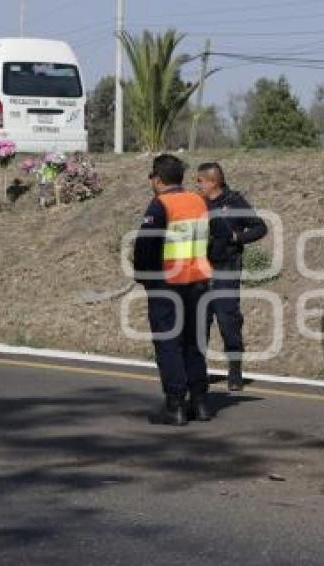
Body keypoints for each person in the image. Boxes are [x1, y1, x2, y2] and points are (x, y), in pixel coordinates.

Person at [133, 154, 213, 425]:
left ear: (157, 179)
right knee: (194, 342)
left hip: (168, 285)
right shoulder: (198, 200)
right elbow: (216, 237)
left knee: (169, 344)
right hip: (199, 282)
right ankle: (200, 402)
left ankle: (175, 405)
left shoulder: (160, 205)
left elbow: (145, 248)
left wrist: (144, 279)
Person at [195, 162, 267, 391]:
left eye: (200, 180)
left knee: (228, 322)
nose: (197, 185)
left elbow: (259, 228)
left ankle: (235, 371)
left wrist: (237, 238)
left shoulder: (234, 201)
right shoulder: (198, 203)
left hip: (226, 269)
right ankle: (198, 371)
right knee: (199, 322)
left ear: (213, 181)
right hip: (200, 270)